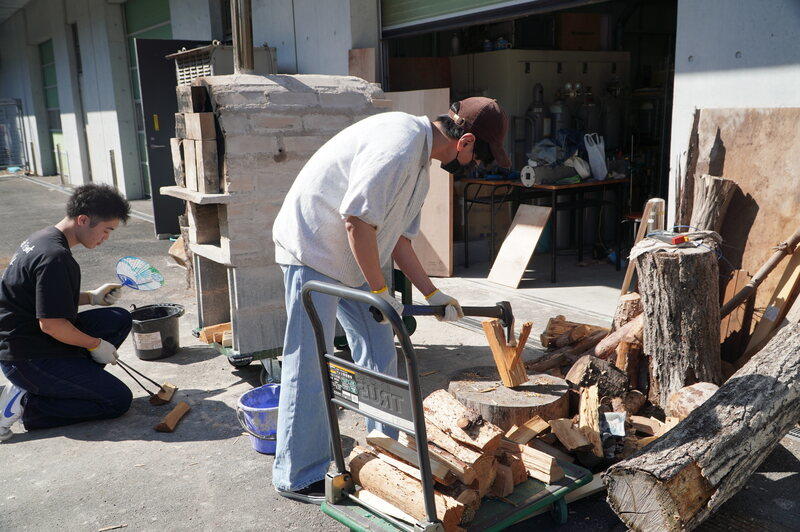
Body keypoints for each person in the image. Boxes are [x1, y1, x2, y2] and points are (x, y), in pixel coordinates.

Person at [271, 97, 511, 503]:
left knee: (381, 352)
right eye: (478, 158)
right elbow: (356, 221)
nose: (474, 166)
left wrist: (433, 293)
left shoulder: (420, 166)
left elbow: (399, 240)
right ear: (466, 141)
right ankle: (296, 475)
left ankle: (385, 448)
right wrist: (380, 293)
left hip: (353, 258)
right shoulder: (399, 142)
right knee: (310, 361)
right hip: (313, 251)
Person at [0, 184, 134, 441]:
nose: (106, 237)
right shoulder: (55, 257)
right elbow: (51, 325)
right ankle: (29, 404)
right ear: (83, 219)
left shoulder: (42, 238)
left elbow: (44, 298)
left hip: (29, 338)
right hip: (27, 357)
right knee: (117, 400)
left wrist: (91, 297)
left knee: (118, 319)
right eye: (106, 230)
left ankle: (66, 383)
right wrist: (95, 345)